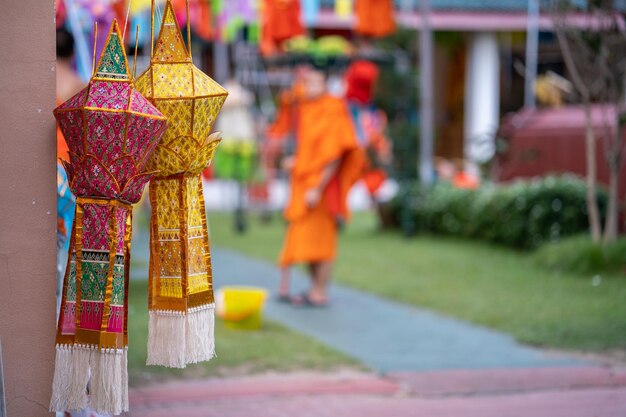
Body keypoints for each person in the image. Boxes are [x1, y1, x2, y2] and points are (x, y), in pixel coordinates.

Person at [277, 67, 364, 306]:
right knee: (305, 240)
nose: (310, 87)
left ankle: (320, 290)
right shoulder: (306, 107)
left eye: (316, 82)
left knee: (322, 240)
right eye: (307, 82)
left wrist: (317, 187)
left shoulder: (333, 108)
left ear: (326, 84)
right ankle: (315, 288)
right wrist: (297, 161)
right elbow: (311, 148)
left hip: (323, 186)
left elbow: (334, 154)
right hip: (304, 182)